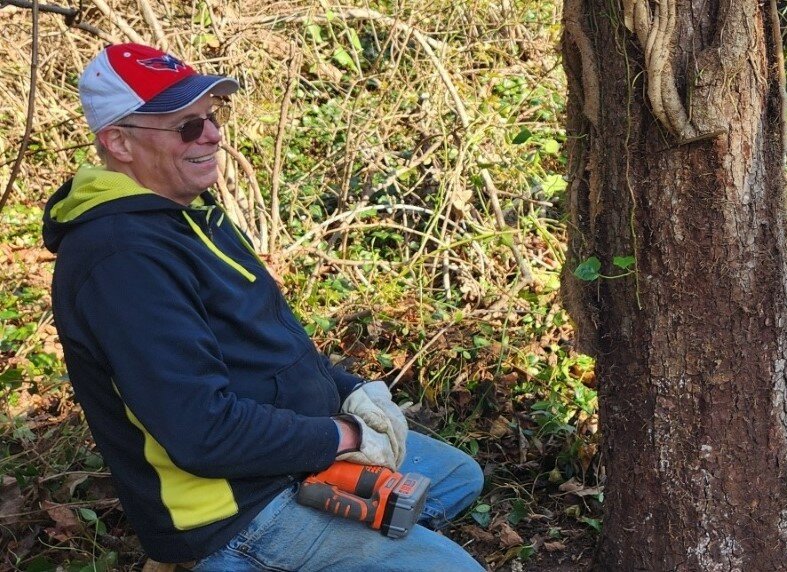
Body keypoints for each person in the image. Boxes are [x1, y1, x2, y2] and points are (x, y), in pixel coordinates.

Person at [42, 43, 484, 571]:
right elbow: (200, 433)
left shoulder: (185, 212)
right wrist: (343, 436)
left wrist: (352, 392)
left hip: (288, 449)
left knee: (457, 478)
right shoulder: (122, 258)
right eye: (186, 127)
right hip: (233, 509)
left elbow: (268, 341)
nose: (211, 135)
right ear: (118, 142)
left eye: (210, 117)